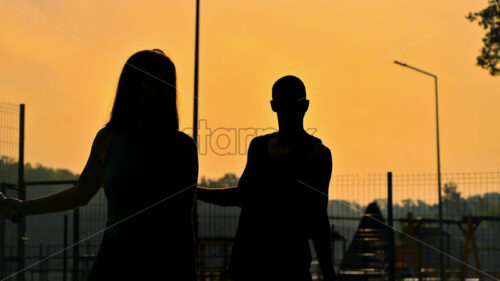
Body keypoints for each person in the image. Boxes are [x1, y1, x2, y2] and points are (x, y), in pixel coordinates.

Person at [0, 49, 198, 281]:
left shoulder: (181, 147)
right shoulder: (108, 139)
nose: (157, 91)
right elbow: (80, 194)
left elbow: (181, 220)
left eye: (164, 83)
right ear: (131, 86)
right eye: (150, 81)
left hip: (162, 262)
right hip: (115, 259)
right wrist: (21, 207)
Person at [198, 75, 336, 281]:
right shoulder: (313, 154)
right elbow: (319, 220)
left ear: (273, 105)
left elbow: (241, 196)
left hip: (268, 264)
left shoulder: (308, 154)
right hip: (268, 265)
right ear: (305, 106)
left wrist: (194, 192)